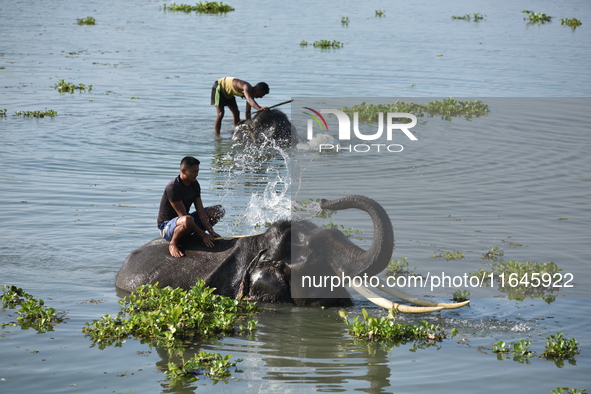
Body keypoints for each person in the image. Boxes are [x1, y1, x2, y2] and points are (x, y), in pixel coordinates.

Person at [157, 156, 225, 257]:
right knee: (187, 219)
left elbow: (200, 210)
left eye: (197, 171)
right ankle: (173, 244)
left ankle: (194, 236)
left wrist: (211, 232)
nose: (196, 174)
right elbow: (183, 215)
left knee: (219, 210)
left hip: (185, 221)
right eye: (194, 171)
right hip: (167, 227)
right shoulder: (173, 187)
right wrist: (203, 234)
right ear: (184, 170)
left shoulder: (195, 184)